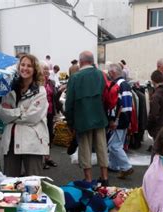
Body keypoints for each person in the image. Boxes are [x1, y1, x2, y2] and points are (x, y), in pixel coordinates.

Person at [0, 53, 49, 177]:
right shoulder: (10, 89)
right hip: (10, 141)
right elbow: (1, 113)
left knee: (34, 182)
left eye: (29, 66)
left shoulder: (40, 91)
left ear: (35, 69)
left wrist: (12, 114)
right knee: (10, 181)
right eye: (23, 65)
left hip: (32, 142)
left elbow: (32, 117)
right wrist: (21, 111)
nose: (25, 68)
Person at [65, 51, 109, 186]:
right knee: (102, 147)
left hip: (82, 119)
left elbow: (69, 102)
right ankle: (104, 177)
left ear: (80, 62)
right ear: (92, 61)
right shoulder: (101, 75)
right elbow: (105, 95)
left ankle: (89, 179)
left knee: (85, 149)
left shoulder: (75, 78)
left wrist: (70, 122)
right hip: (99, 116)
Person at [107, 63, 134, 179]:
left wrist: (114, 120)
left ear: (113, 73)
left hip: (120, 119)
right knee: (116, 143)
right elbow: (128, 106)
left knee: (114, 145)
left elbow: (116, 105)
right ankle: (114, 166)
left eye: (109, 73)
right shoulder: (125, 84)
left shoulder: (117, 85)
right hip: (125, 118)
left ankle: (126, 167)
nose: (108, 75)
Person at [41, 62, 59, 170]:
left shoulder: (51, 82)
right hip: (40, 113)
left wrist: (60, 92)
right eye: (44, 69)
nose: (47, 71)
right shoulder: (37, 83)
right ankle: (41, 160)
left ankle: (47, 157)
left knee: (49, 135)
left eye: (48, 69)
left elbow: (54, 97)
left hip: (50, 111)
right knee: (41, 136)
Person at [147, 70, 163, 140]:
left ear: (153, 81)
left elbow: (154, 114)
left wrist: (148, 125)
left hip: (159, 128)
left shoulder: (156, 95)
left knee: (158, 149)